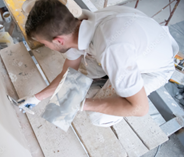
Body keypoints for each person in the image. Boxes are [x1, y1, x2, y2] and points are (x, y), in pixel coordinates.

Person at [18, 0, 179, 127]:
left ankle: (113, 83)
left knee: (97, 116)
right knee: (74, 82)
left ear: (58, 40)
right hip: (138, 43)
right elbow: (67, 75)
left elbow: (140, 108)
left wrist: (82, 104)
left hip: (154, 68)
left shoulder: (111, 49)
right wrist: (36, 98)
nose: (46, 46)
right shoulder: (77, 25)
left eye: (45, 43)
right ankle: (110, 78)